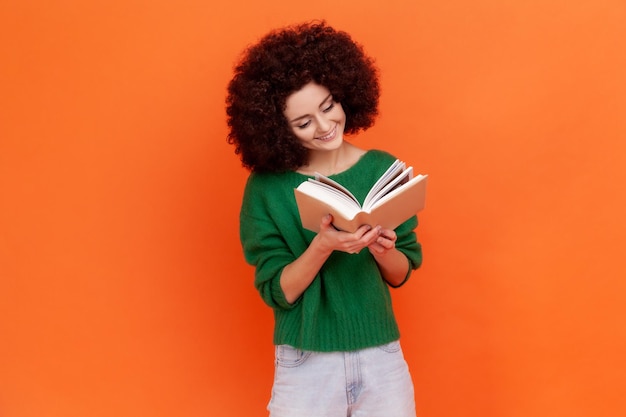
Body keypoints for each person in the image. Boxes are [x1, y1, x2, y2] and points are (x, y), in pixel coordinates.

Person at [226, 21, 423, 417]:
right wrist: (322, 246)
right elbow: (276, 291)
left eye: (328, 105)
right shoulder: (267, 188)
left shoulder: (383, 169)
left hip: (381, 355)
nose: (324, 125)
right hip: (306, 361)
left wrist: (384, 250)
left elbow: (401, 272)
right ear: (277, 129)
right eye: (303, 123)